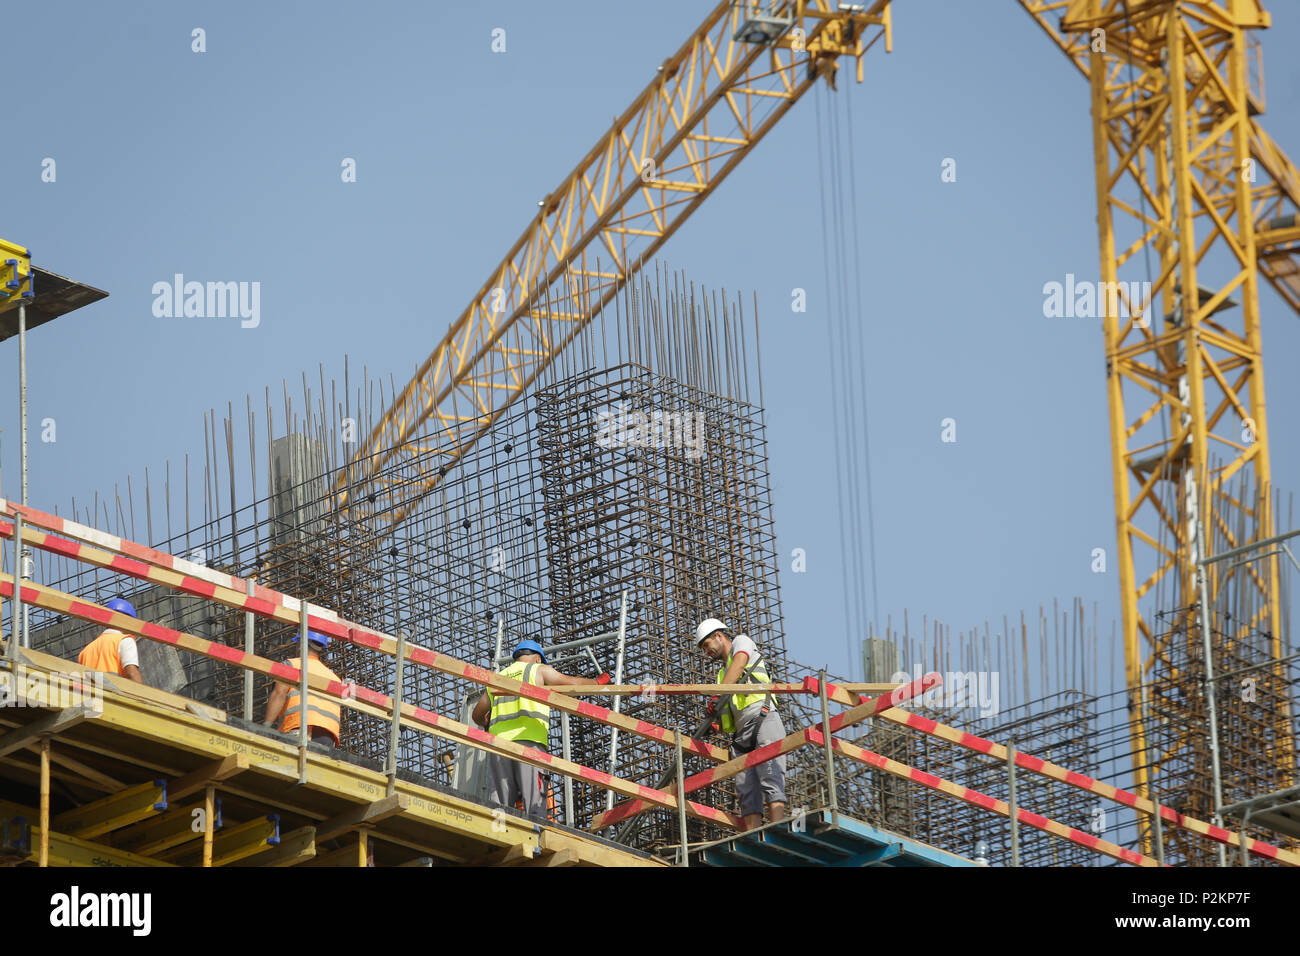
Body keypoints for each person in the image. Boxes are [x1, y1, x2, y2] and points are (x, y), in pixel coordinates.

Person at [471, 639, 597, 822]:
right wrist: (595, 682)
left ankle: (497, 837)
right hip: (529, 744)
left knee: (499, 798)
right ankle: (536, 837)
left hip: (498, 746)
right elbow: (571, 683)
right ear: (537, 658)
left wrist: (486, 725)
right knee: (534, 799)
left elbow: (477, 714)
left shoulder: (498, 678)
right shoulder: (537, 670)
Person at [694, 617, 786, 830]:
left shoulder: (741, 643)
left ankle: (777, 830)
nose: (706, 652)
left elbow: (739, 663)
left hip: (763, 720)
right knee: (746, 790)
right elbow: (728, 705)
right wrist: (715, 722)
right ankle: (755, 836)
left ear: (718, 635)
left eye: (707, 645)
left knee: (771, 777)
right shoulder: (721, 675)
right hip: (741, 734)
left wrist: (719, 694)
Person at [264, 631, 341, 748]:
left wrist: (265, 727)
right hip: (328, 737)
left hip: (299, 727)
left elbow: (279, 694)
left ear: (301, 643)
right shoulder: (334, 678)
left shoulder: (292, 665)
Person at [78, 596, 144, 683]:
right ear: (126, 619)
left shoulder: (85, 652)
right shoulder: (124, 640)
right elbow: (132, 673)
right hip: (114, 694)